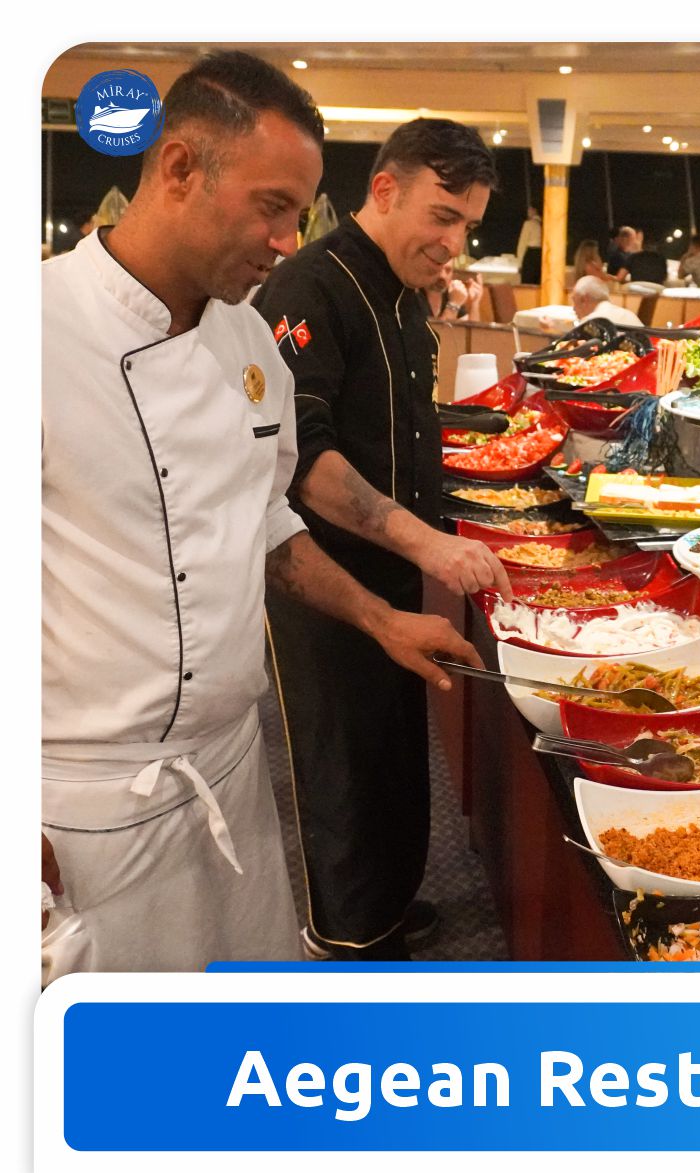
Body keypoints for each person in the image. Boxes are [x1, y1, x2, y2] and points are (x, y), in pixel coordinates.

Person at [40, 52, 481, 979]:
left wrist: (381, 617)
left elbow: (268, 518)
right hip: (76, 807)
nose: (287, 240)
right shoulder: (36, 329)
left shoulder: (247, 340)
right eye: (272, 206)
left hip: (232, 768)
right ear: (178, 168)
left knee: (237, 1021)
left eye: (300, 213)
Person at [253, 118, 512, 961]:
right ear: (385, 190)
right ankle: (348, 942)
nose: (453, 242)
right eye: (442, 216)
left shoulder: (406, 295)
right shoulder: (309, 285)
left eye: (467, 224)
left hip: (396, 567)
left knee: (395, 754)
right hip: (323, 578)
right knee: (344, 767)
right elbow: (307, 459)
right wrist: (429, 546)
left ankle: (387, 911)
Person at [571, 275, 643, 327]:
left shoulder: (589, 324)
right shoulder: (630, 315)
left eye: (574, 301)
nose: (573, 308)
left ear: (584, 300)